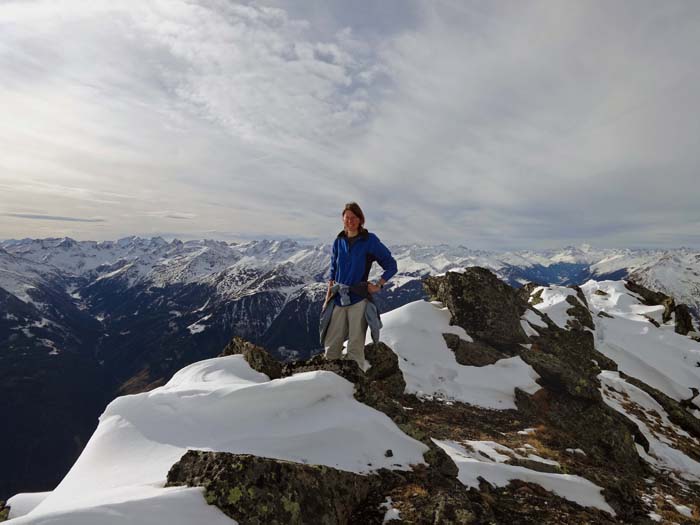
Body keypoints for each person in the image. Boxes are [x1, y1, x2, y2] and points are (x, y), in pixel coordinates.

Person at [322, 202, 397, 368]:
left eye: (354, 217)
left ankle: (354, 388)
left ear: (361, 219)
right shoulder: (338, 241)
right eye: (347, 218)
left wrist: (379, 284)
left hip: (358, 298)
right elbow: (333, 273)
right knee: (331, 345)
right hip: (338, 298)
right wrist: (328, 298)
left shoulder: (369, 240)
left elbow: (391, 265)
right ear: (343, 220)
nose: (350, 221)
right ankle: (330, 382)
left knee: (355, 347)